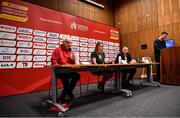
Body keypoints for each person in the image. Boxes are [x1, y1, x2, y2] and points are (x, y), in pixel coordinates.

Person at [51, 38, 80, 103]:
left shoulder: (71, 51)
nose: (69, 44)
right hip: (59, 71)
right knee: (66, 76)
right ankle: (66, 94)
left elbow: (73, 63)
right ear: (63, 43)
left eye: (70, 43)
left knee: (77, 76)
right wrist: (59, 65)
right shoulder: (57, 50)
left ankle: (66, 92)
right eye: (67, 42)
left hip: (68, 70)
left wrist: (72, 59)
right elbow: (53, 61)